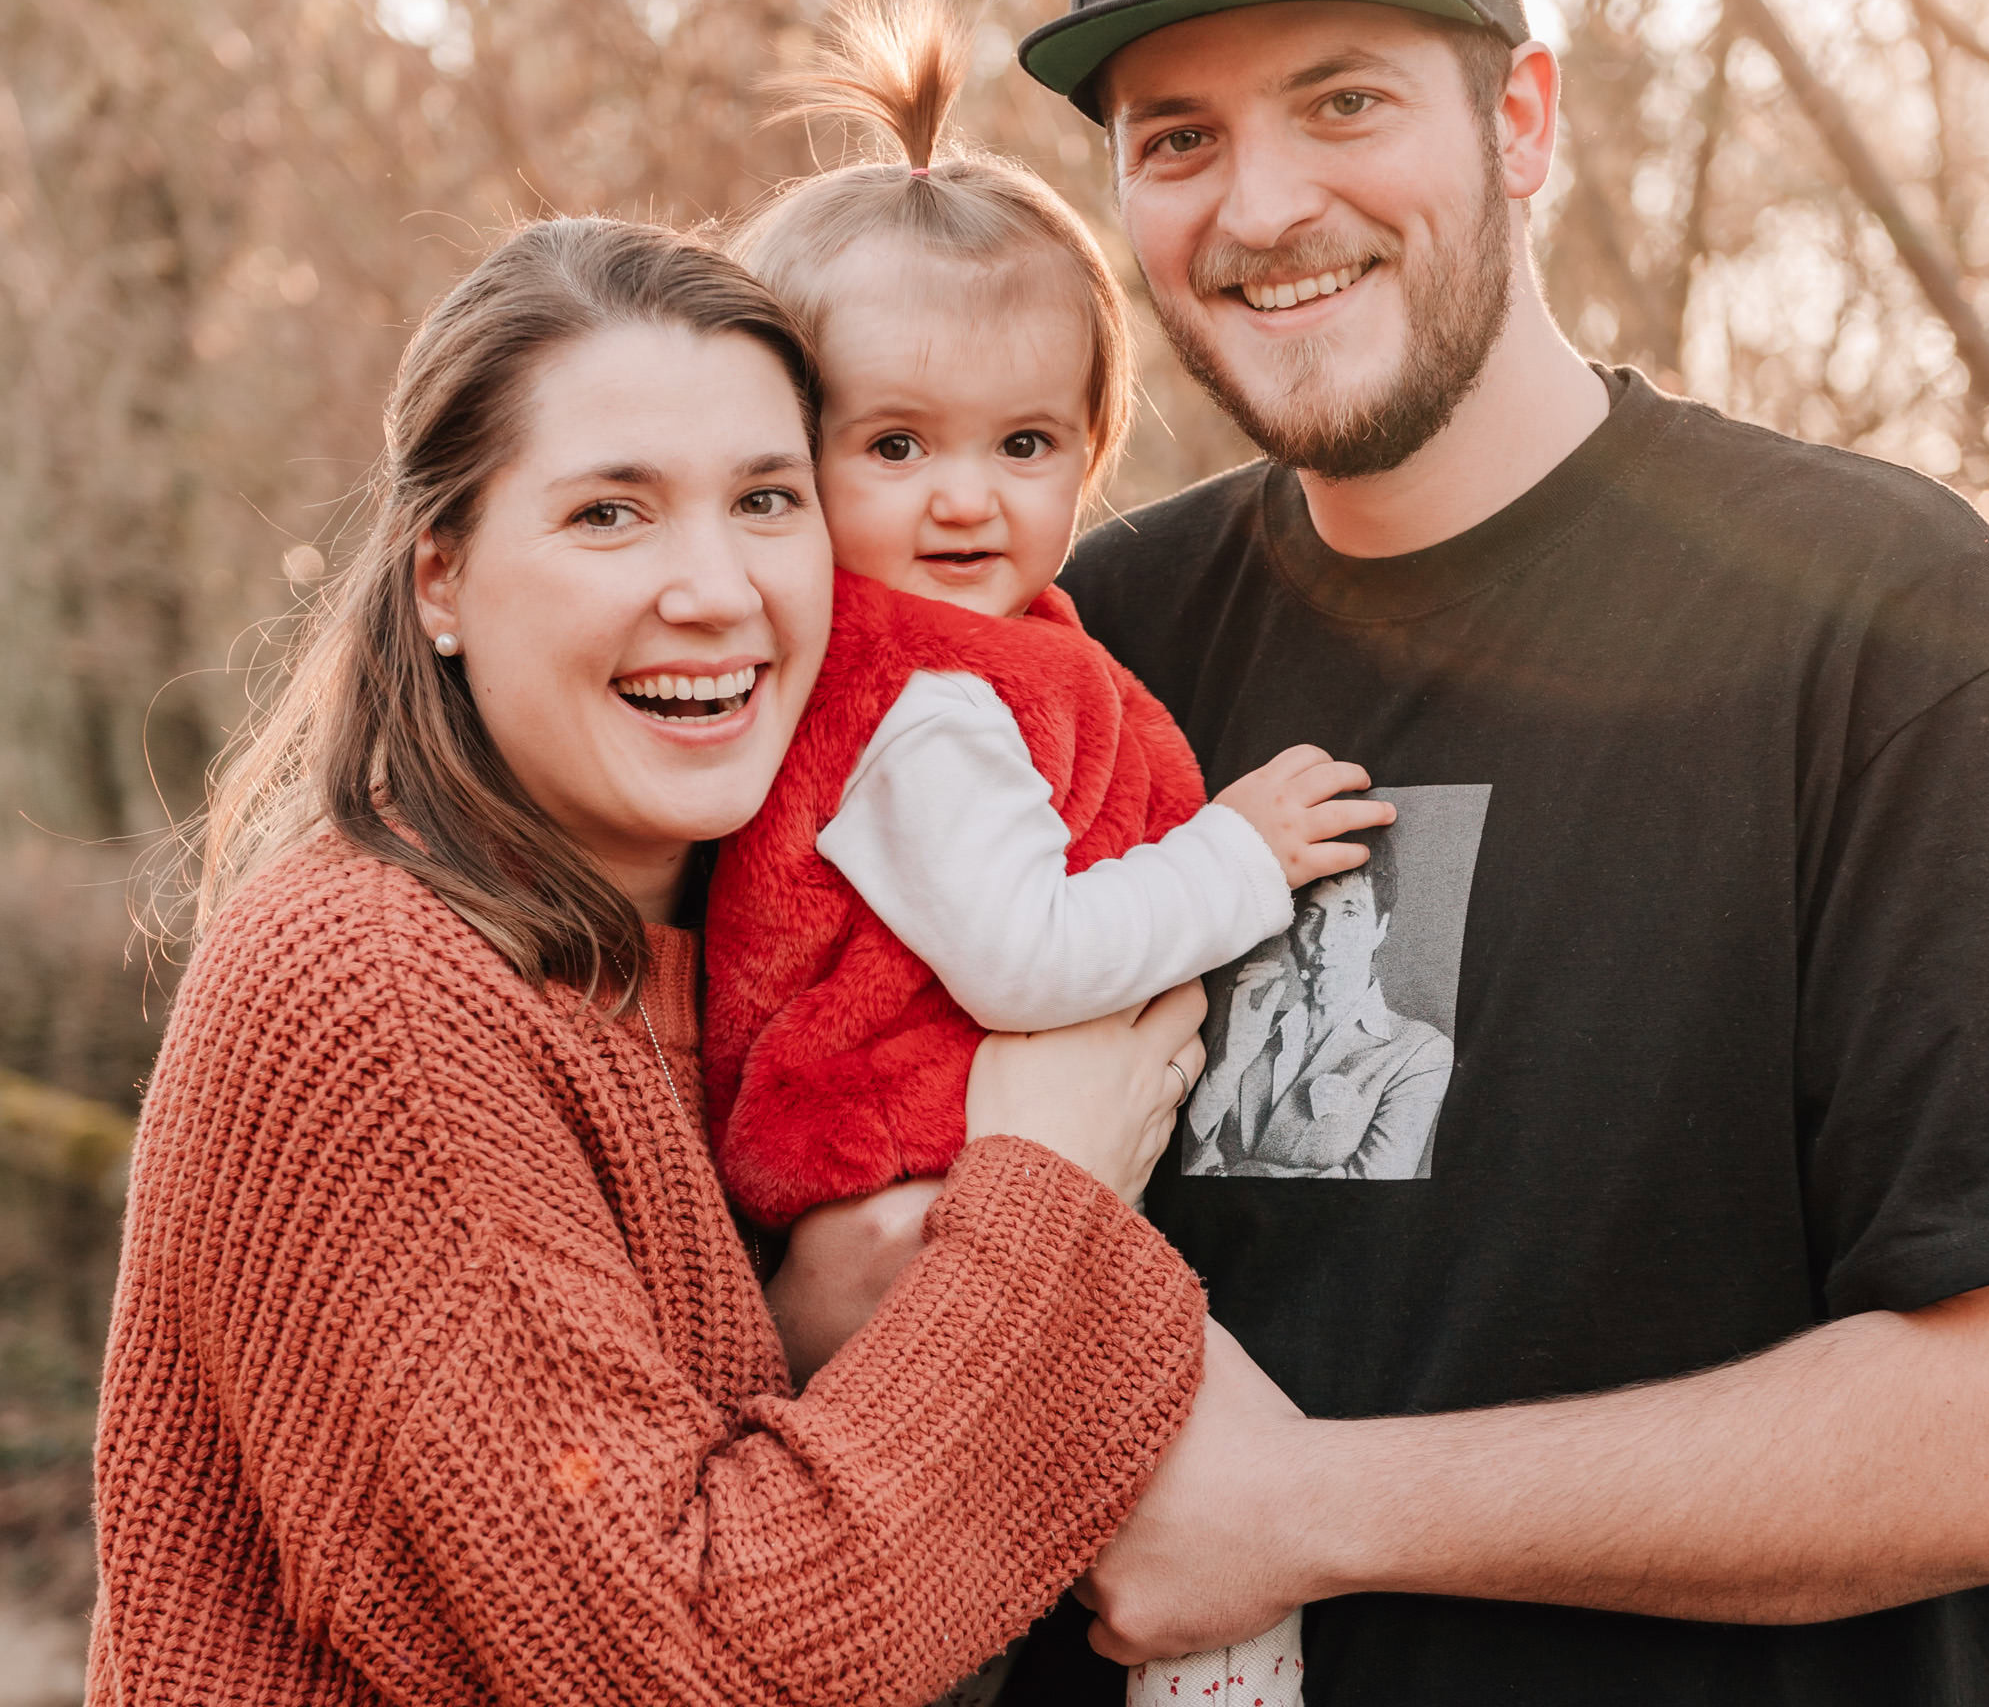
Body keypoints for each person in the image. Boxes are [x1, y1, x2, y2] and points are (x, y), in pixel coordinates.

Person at [1002, 0, 1989, 1707]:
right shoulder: (1080, 652)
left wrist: (1315, 1509)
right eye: (1178, 136)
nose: (1264, 205)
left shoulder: (1881, 612)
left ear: (1520, 120)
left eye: (1346, 100)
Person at [88, 216, 1218, 1707]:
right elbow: (689, 1661)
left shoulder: (728, 963)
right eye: (610, 515)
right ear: (442, 576)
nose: (715, 589)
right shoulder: (376, 993)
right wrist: (1050, 1189)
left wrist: (823, 1322)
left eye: (766, 497)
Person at [701, 0, 1391, 1707]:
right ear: (790, 461)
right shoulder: (918, 700)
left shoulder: (984, 659)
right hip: (933, 1205)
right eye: (895, 447)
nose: (964, 500)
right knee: (1229, 1512)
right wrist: (1238, 857)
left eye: (1023, 447)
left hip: (959, 1195)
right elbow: (1024, 950)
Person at [1187, 829, 1451, 1181]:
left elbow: (1373, 1186)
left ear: (1380, 928)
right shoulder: (1250, 1029)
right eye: (1311, 915)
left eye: (1350, 914)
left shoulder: (1420, 1053)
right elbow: (1188, 1165)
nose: (1324, 939)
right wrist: (1228, 1064)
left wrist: (1239, 1171)